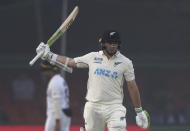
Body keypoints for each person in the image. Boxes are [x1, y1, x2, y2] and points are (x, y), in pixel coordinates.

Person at [36, 30, 150, 131]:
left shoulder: (126, 62)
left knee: (119, 128)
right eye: (110, 43)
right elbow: (71, 62)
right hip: (93, 106)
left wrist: (139, 111)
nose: (113, 46)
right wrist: (49, 55)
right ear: (103, 43)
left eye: (115, 43)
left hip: (114, 106)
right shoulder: (92, 57)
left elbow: (132, 86)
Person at [40, 61, 72, 131]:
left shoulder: (55, 82)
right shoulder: (61, 80)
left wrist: (57, 122)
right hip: (64, 114)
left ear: (50, 71)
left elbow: (57, 101)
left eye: (44, 70)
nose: (43, 73)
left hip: (56, 116)